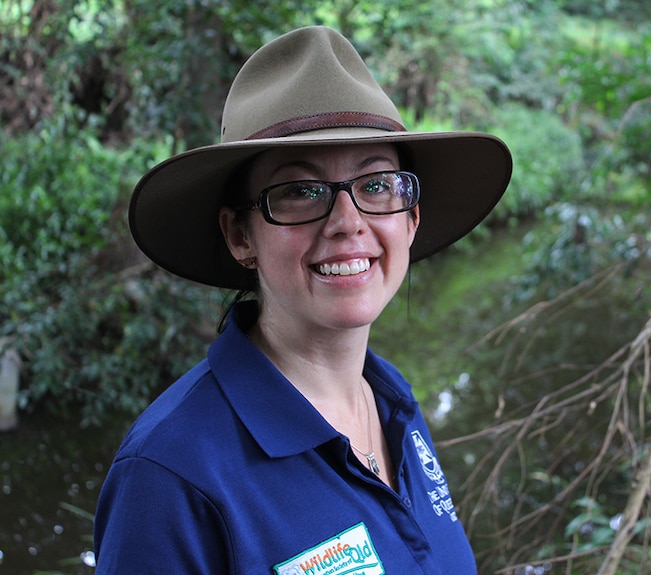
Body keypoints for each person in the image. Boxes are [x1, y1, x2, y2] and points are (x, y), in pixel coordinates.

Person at [93, 25, 511, 574]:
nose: (348, 223)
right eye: (299, 192)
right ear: (241, 236)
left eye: (377, 184)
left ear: (410, 219)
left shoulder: (393, 405)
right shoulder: (170, 475)